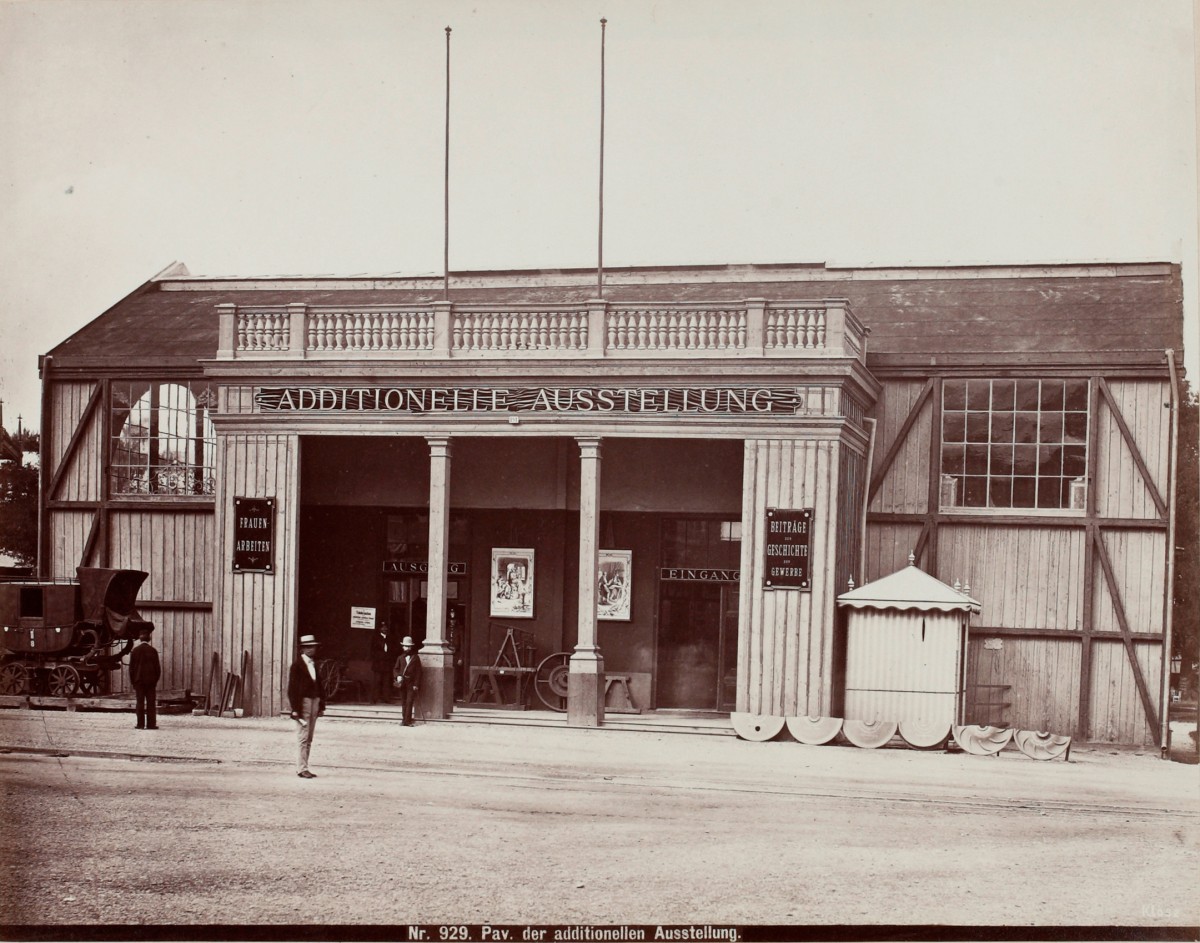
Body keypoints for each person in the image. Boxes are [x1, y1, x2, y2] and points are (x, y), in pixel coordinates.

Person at [287, 634, 325, 778]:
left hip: (314, 701)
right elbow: (292, 690)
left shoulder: (314, 664)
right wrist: (295, 709)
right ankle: (301, 768)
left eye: (313, 646)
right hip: (303, 702)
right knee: (303, 736)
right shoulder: (297, 666)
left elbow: (319, 686)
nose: (312, 649)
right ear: (303, 649)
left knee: (309, 737)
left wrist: (321, 705)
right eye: (309, 647)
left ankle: (304, 766)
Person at [128, 625, 161, 730]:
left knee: (140, 702)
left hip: (139, 681)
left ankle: (140, 724)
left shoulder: (135, 651)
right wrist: (155, 680)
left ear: (140, 638)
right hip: (150, 682)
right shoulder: (153, 651)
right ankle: (151, 725)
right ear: (149, 638)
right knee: (151, 703)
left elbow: (131, 669)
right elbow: (158, 669)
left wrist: (133, 681)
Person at [393, 636, 423, 726]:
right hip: (402, 682)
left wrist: (416, 684)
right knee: (404, 702)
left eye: (409, 646)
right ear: (403, 647)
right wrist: (397, 676)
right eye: (406, 646)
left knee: (409, 701)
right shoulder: (400, 658)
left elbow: (419, 672)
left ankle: (408, 721)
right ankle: (404, 720)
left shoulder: (415, 658)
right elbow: (395, 669)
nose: (407, 648)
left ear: (411, 647)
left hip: (411, 682)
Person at [370, 620, 392, 703]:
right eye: (383, 627)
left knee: (386, 682)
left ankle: (386, 698)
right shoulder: (376, 638)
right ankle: (375, 699)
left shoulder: (390, 638)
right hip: (378, 664)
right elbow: (373, 651)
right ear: (380, 629)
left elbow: (392, 650)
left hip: (387, 664)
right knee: (377, 681)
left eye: (386, 627)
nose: (384, 629)